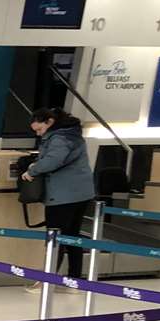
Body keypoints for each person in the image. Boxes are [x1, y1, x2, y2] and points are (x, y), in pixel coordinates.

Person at [21, 108, 95, 281]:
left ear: (50, 122)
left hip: (62, 195)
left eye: (39, 129)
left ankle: (48, 279)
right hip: (80, 193)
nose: (39, 134)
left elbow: (53, 160)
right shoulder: (73, 135)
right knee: (72, 237)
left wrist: (33, 171)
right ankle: (75, 279)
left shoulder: (59, 138)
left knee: (55, 238)